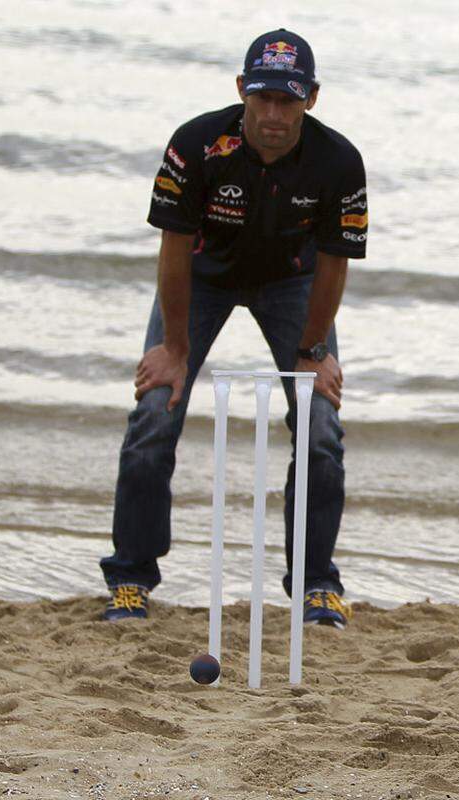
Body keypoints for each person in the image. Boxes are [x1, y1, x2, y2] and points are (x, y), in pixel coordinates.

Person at [99, 29, 366, 629]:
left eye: (288, 101)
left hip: (291, 284)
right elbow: (171, 249)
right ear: (243, 90)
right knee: (153, 413)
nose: (274, 114)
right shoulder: (195, 144)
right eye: (263, 98)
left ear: (311, 99)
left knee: (320, 424)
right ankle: (130, 578)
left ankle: (317, 584)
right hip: (201, 277)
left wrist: (313, 350)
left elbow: (333, 263)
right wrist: (173, 348)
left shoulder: (338, 161)